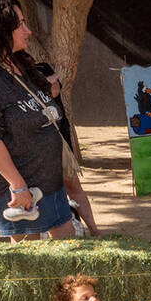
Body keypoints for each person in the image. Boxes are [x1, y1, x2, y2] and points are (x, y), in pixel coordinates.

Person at [0, 0, 75, 240]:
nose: (28, 30)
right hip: (22, 189)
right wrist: (18, 186)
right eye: (20, 24)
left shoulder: (19, 63)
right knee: (32, 265)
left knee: (69, 251)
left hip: (49, 181)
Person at [35, 61, 101, 236]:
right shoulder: (4, 75)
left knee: (72, 185)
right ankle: (52, 234)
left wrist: (40, 83)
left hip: (58, 138)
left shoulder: (41, 68)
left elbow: (54, 90)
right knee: (42, 191)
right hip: (32, 145)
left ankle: (94, 230)